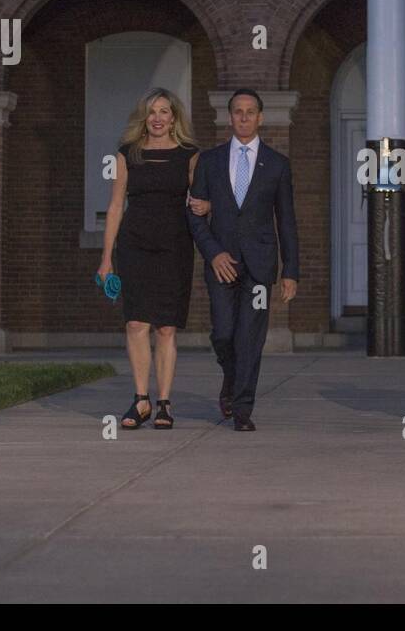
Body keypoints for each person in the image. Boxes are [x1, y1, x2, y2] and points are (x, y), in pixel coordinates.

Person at [186, 89, 299, 432]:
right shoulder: (210, 161)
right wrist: (213, 252)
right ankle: (232, 381)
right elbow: (194, 214)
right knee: (223, 333)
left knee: (250, 336)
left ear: (260, 117)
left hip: (260, 267)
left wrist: (290, 270)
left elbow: (287, 220)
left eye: (251, 112)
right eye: (238, 111)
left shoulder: (277, 164)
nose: (245, 117)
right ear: (230, 116)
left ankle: (242, 409)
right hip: (221, 264)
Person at [98, 87, 200, 431]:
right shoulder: (127, 154)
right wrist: (106, 258)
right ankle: (141, 399)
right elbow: (115, 207)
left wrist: (207, 206)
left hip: (175, 246)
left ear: (174, 118)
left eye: (164, 112)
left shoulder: (190, 155)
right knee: (136, 323)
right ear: (145, 118)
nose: (157, 118)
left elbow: (200, 199)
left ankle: (164, 403)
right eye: (152, 112)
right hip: (134, 244)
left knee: (167, 326)